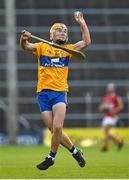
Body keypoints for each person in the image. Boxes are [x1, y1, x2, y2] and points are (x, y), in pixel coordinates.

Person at [20, 11, 91, 170]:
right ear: (51, 35)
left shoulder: (69, 49)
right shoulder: (41, 46)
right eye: (59, 30)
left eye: (65, 31)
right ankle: (75, 152)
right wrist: (23, 38)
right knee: (53, 130)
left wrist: (82, 23)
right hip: (43, 93)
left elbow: (86, 41)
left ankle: (51, 157)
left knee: (58, 128)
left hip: (59, 92)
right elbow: (25, 46)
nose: (62, 33)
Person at [98, 83, 124, 152]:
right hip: (107, 116)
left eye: (111, 88)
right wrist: (103, 108)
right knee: (106, 131)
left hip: (112, 116)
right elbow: (101, 107)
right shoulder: (105, 97)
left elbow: (120, 106)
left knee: (106, 130)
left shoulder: (116, 97)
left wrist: (114, 111)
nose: (109, 89)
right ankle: (118, 141)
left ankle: (105, 147)